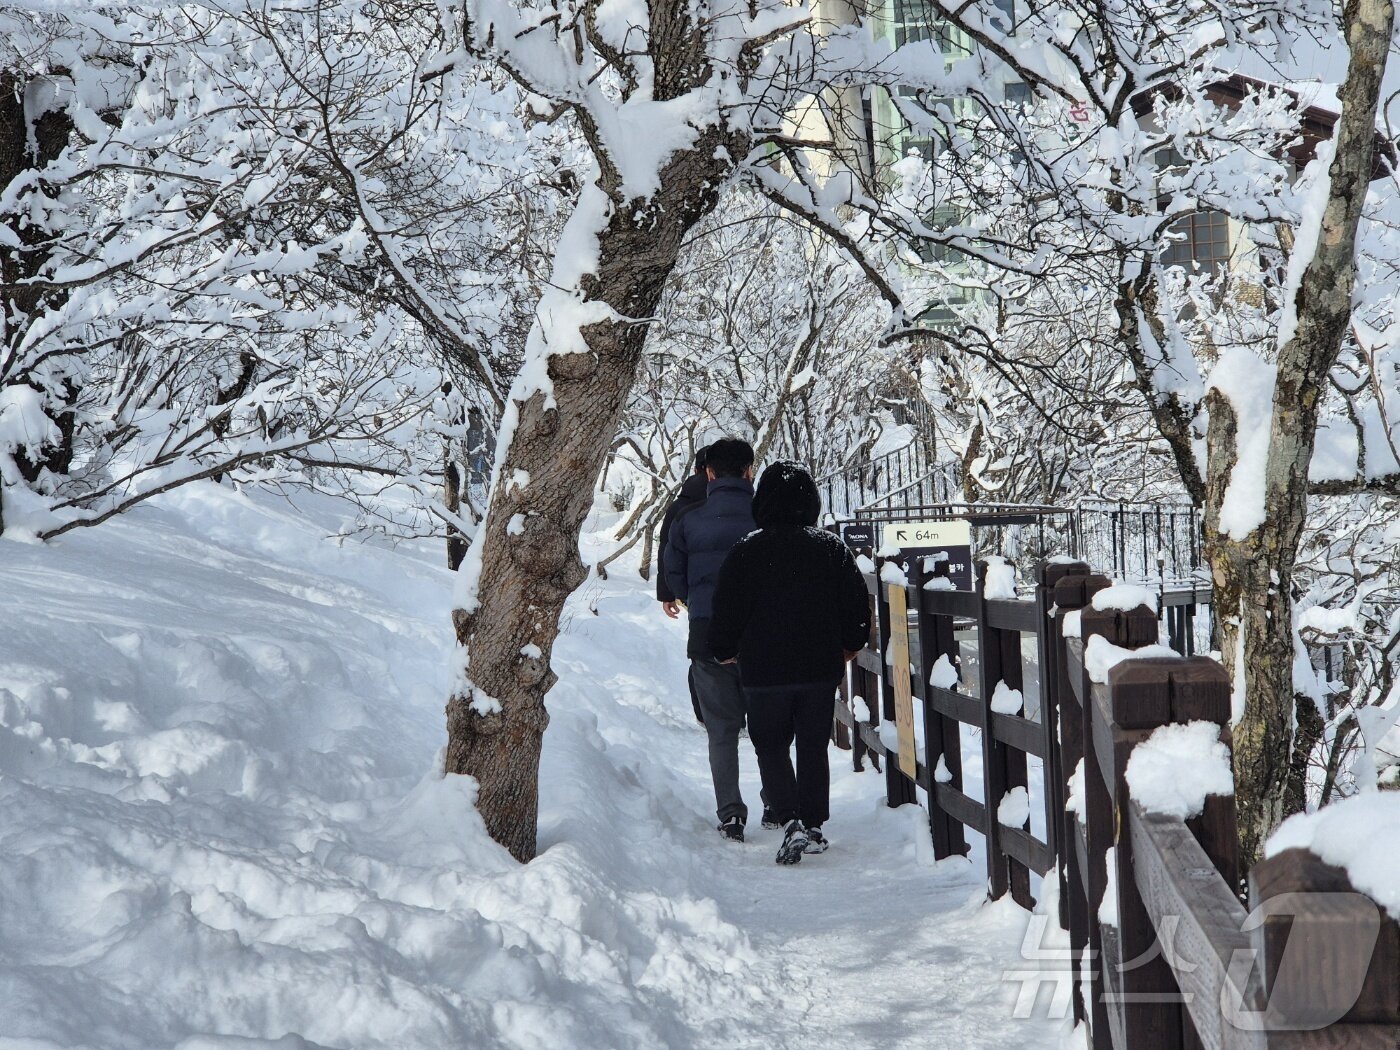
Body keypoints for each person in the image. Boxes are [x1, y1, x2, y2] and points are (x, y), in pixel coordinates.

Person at [709, 461, 871, 865]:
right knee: (814, 744)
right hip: (819, 668)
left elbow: (726, 608)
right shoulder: (831, 548)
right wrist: (850, 645)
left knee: (770, 746)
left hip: (763, 671)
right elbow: (856, 606)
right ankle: (813, 822)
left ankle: (790, 820)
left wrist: (724, 648)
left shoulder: (746, 550)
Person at [664, 437, 766, 842]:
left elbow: (675, 575)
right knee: (767, 726)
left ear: (708, 473)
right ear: (749, 470)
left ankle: (731, 814)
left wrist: (698, 601)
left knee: (721, 730)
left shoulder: (688, 519)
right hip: (761, 635)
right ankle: (776, 803)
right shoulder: (765, 515)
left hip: (707, 634)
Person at [657, 444, 711, 725]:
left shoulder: (681, 504)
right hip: (733, 588)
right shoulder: (741, 500)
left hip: (694, 591)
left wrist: (669, 593)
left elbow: (667, 548)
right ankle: (732, 712)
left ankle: (704, 714)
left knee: (701, 652)